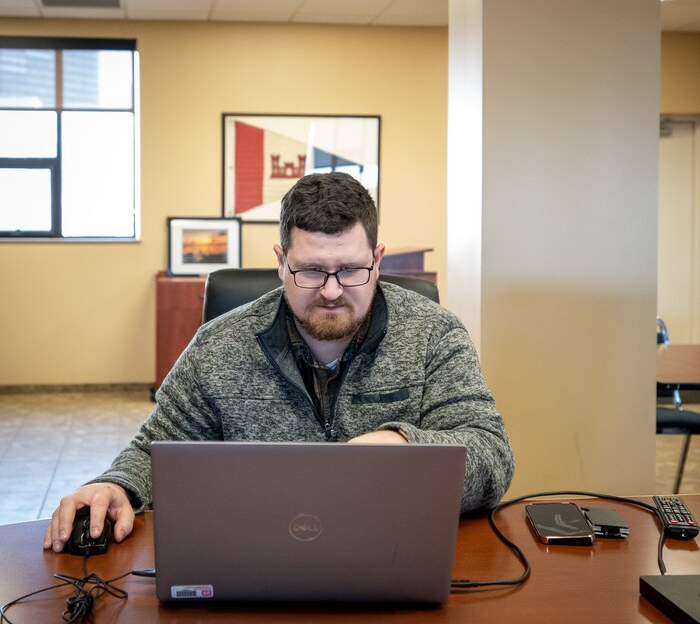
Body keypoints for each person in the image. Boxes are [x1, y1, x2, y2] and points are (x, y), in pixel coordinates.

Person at [44, 172, 514, 552]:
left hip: (391, 557)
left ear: (377, 257)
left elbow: (492, 457)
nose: (331, 291)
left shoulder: (433, 333)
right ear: (280, 261)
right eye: (310, 270)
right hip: (253, 565)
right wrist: (115, 486)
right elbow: (155, 451)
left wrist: (402, 445)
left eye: (350, 270)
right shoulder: (219, 346)